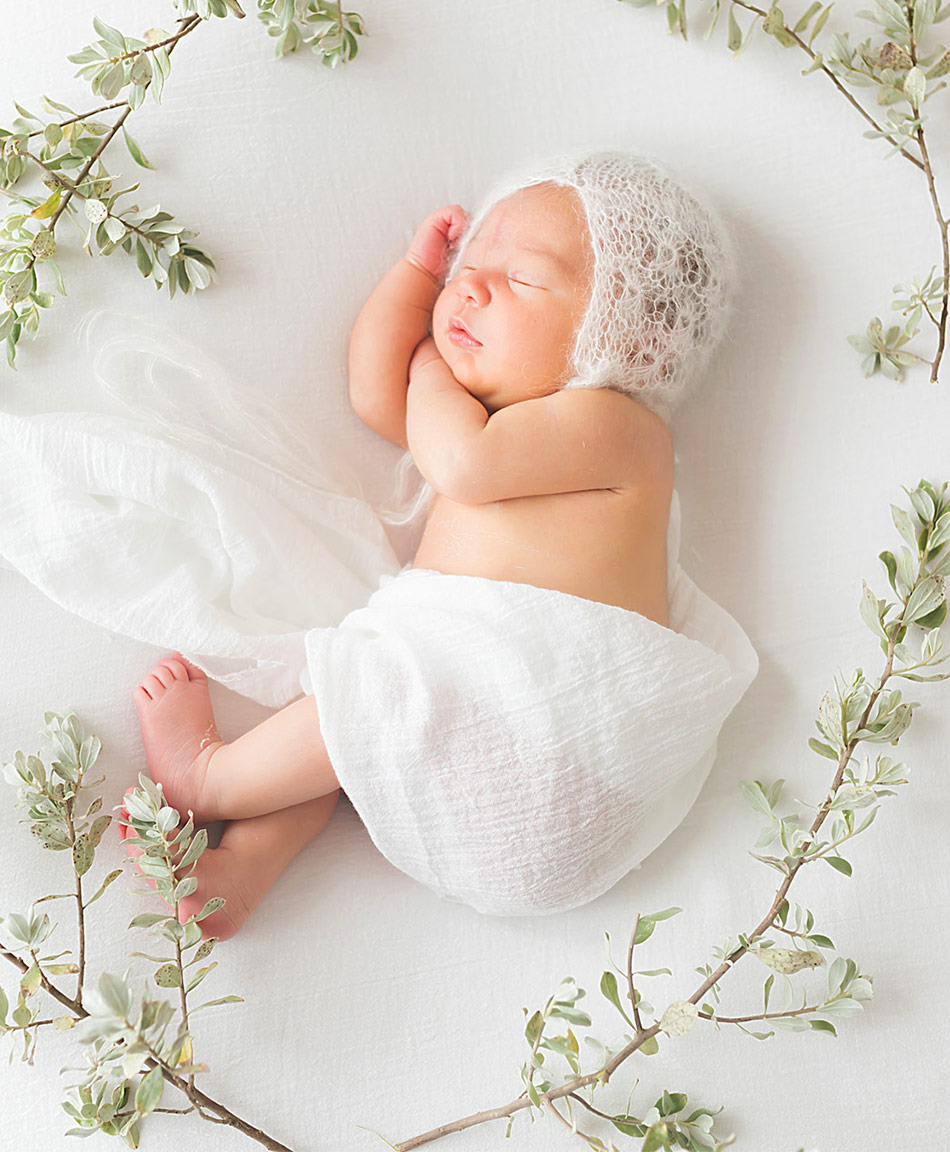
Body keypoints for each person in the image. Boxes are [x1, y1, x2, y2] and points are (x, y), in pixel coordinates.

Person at [123, 152, 757, 938]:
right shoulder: (468, 414)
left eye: (521, 279)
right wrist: (417, 278)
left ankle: (212, 781)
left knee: (375, 692)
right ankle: (245, 867)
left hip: (555, 742)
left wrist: (431, 365)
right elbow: (372, 392)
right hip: (469, 755)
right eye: (470, 262)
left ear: (635, 345)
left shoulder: (621, 428)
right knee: (357, 729)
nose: (473, 285)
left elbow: (465, 461)